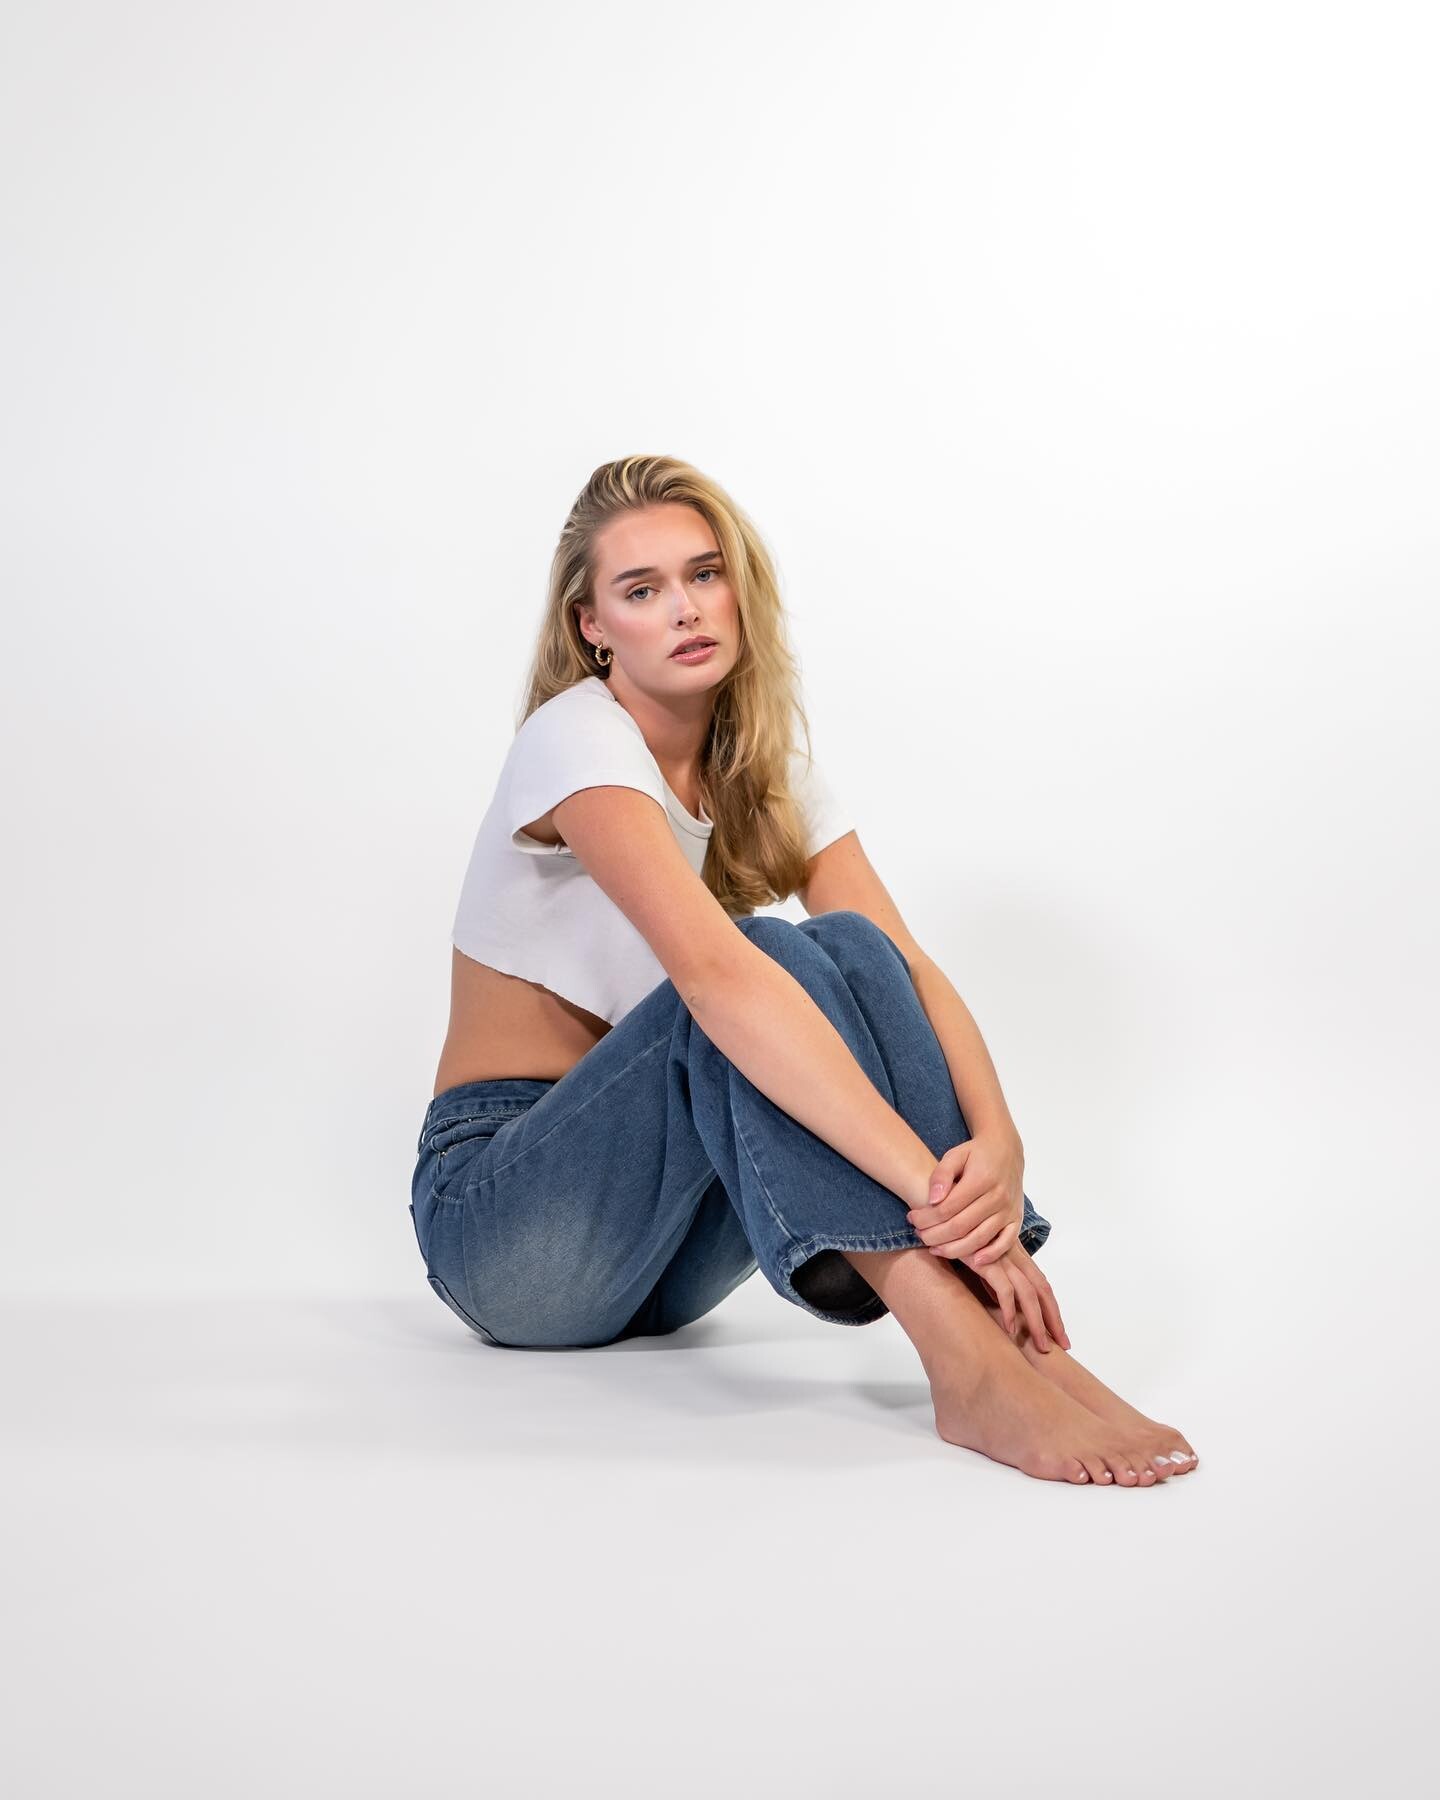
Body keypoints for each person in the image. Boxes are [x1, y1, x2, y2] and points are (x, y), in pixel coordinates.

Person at [411, 453, 1198, 1488]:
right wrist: (934, 1196)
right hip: (507, 1228)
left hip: (662, 1256)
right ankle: (968, 1354)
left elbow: (904, 965)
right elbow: (716, 982)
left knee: (853, 948)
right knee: (756, 960)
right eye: (642, 591)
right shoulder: (574, 740)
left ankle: (1022, 1343)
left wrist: (999, 1146)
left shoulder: (762, 768)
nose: (685, 608)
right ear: (592, 627)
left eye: (705, 574)